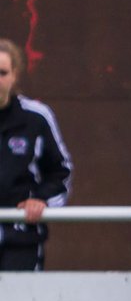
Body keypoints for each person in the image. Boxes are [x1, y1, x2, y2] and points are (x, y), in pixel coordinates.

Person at [0, 39, 72, 270]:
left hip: (21, 238)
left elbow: (61, 172)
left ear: (14, 75)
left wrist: (40, 200)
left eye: (2, 73)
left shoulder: (36, 118)